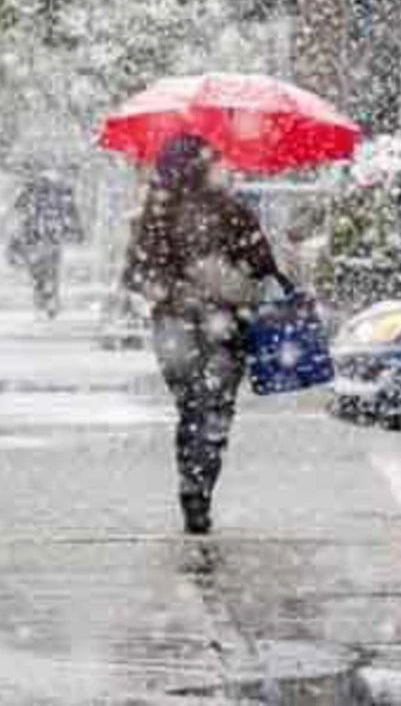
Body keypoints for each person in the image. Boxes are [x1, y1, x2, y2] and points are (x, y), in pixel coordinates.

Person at [121, 135, 285, 534]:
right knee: (214, 410)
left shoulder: (155, 216)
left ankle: (192, 486)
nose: (222, 167)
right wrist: (224, 281)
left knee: (192, 410)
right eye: (215, 161)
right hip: (223, 327)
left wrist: (172, 289)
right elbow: (263, 266)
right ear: (201, 167)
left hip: (174, 328)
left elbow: (136, 275)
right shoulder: (232, 211)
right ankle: (200, 487)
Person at [8, 170, 85, 318]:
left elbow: (18, 208)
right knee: (51, 270)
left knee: (39, 271)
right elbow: (72, 213)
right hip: (51, 237)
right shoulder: (62, 191)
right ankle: (50, 298)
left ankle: (44, 298)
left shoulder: (32, 190)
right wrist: (76, 230)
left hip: (35, 237)